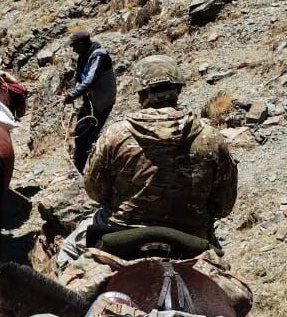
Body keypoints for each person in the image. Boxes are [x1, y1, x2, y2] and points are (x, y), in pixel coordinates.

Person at [83, 55, 238, 243]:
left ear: (141, 95)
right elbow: (223, 206)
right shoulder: (211, 137)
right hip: (191, 237)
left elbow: (94, 191)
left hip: (123, 233)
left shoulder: (114, 135)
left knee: (70, 250)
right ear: (179, 90)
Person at [63, 30, 116, 172]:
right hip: (90, 102)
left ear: (81, 44)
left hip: (101, 102)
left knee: (86, 136)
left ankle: (85, 170)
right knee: (81, 133)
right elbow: (81, 79)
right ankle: (82, 167)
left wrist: (72, 95)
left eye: (74, 46)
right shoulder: (83, 57)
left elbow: (90, 80)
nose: (73, 49)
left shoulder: (99, 56)